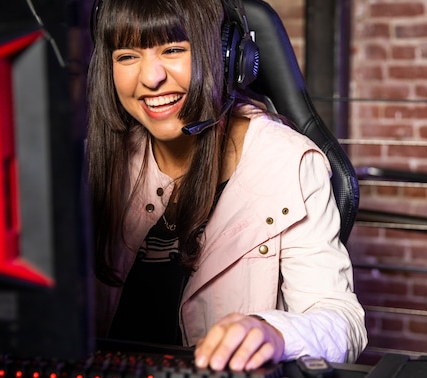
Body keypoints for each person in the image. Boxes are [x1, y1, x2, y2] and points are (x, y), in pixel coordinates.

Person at [85, 0, 367, 372]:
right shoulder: (95, 158)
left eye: (173, 50)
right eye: (126, 56)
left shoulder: (289, 162)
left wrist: (274, 332)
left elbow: (342, 321)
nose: (150, 77)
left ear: (227, 56)